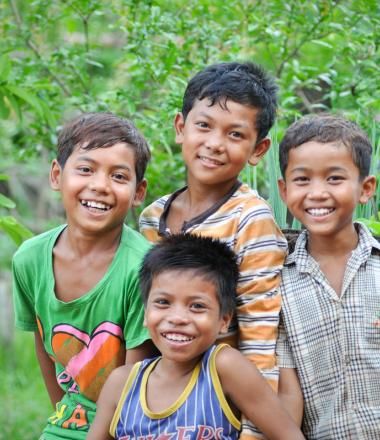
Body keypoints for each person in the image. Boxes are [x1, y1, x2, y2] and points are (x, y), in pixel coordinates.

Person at [139, 61, 287, 438]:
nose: (215, 144)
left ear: (258, 149)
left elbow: (259, 335)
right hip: (162, 402)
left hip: (221, 406)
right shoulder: (153, 216)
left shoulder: (250, 219)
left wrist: (253, 431)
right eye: (203, 125)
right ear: (180, 127)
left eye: (235, 134)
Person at [12, 112, 157, 440]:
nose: (100, 186)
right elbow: (42, 340)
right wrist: (62, 417)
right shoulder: (30, 260)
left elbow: (134, 384)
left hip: (130, 424)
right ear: (56, 174)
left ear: (138, 191)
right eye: (86, 169)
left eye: (119, 176)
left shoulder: (142, 268)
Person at [88, 234, 305, 440]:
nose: (178, 318)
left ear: (224, 321)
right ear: (145, 314)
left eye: (197, 306)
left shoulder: (223, 368)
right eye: (163, 302)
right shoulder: (122, 383)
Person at [276, 114, 379, 438]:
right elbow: (289, 394)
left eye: (334, 178)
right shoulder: (279, 285)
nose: (317, 192)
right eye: (302, 180)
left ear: (365, 189)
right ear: (283, 190)